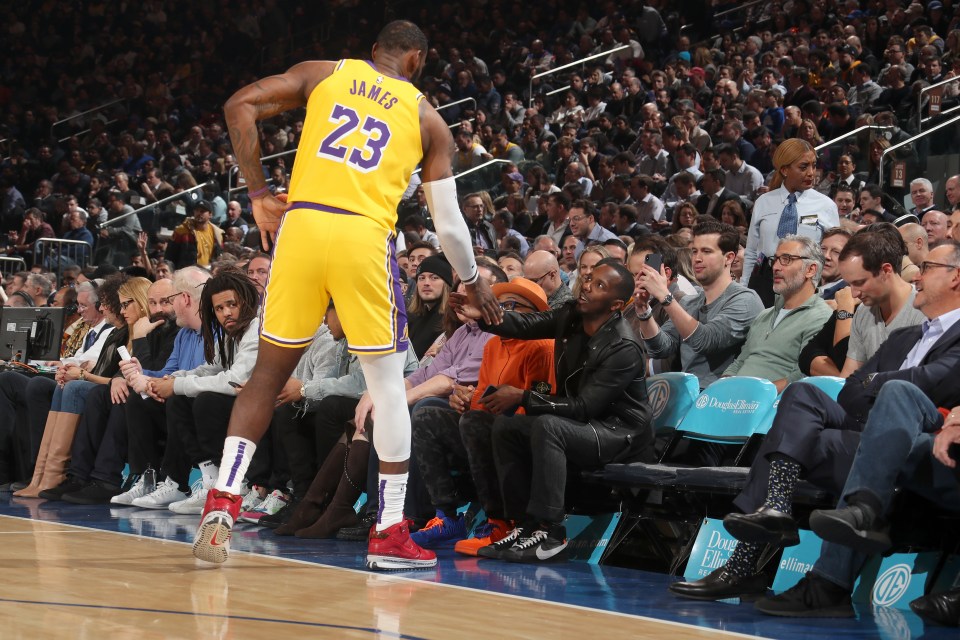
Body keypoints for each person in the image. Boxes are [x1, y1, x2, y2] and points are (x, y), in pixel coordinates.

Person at [193, 21, 500, 570]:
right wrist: (473, 277)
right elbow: (449, 226)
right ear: (417, 63)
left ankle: (222, 502)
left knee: (265, 375)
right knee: (386, 388)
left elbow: (238, 105)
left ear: (373, 52)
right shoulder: (428, 118)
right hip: (362, 236)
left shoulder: (323, 73)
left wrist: (259, 193)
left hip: (302, 228)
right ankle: (389, 532)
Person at [669, 241, 960, 604]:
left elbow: (934, 381)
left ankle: (748, 566)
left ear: (956, 278)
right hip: (865, 432)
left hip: (919, 441)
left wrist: (876, 387)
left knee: (888, 395)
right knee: (801, 395)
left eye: (928, 267)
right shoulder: (905, 336)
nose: (916, 274)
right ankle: (774, 508)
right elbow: (849, 391)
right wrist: (874, 392)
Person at [450, 259, 653, 562]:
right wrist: (485, 317)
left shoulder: (623, 346)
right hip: (583, 423)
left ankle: (551, 531)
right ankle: (523, 525)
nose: (586, 286)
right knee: (507, 427)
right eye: (589, 278)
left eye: (599, 286)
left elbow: (585, 407)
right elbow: (525, 324)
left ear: (616, 305)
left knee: (548, 425)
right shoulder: (571, 315)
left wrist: (523, 396)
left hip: (618, 433)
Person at [635, 221, 765, 389]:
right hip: (688, 393)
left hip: (724, 397)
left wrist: (666, 298)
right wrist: (643, 309)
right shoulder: (689, 302)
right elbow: (660, 349)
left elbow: (705, 341)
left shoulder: (745, 300)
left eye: (707, 251)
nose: (697, 258)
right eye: (694, 251)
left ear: (729, 257)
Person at [724, 236, 832, 391]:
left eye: (786, 259)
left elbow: (802, 376)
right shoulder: (764, 315)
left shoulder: (821, 317)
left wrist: (755, 395)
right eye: (776, 259)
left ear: (810, 269)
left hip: (772, 405)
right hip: (735, 398)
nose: (775, 267)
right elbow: (740, 362)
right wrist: (721, 388)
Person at [742, 139, 840, 307]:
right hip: (764, 280)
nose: (811, 173)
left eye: (813, 165)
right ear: (785, 170)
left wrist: (820, 285)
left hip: (805, 282)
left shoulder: (826, 206)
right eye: (803, 167)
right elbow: (751, 251)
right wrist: (744, 287)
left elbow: (834, 251)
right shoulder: (763, 202)